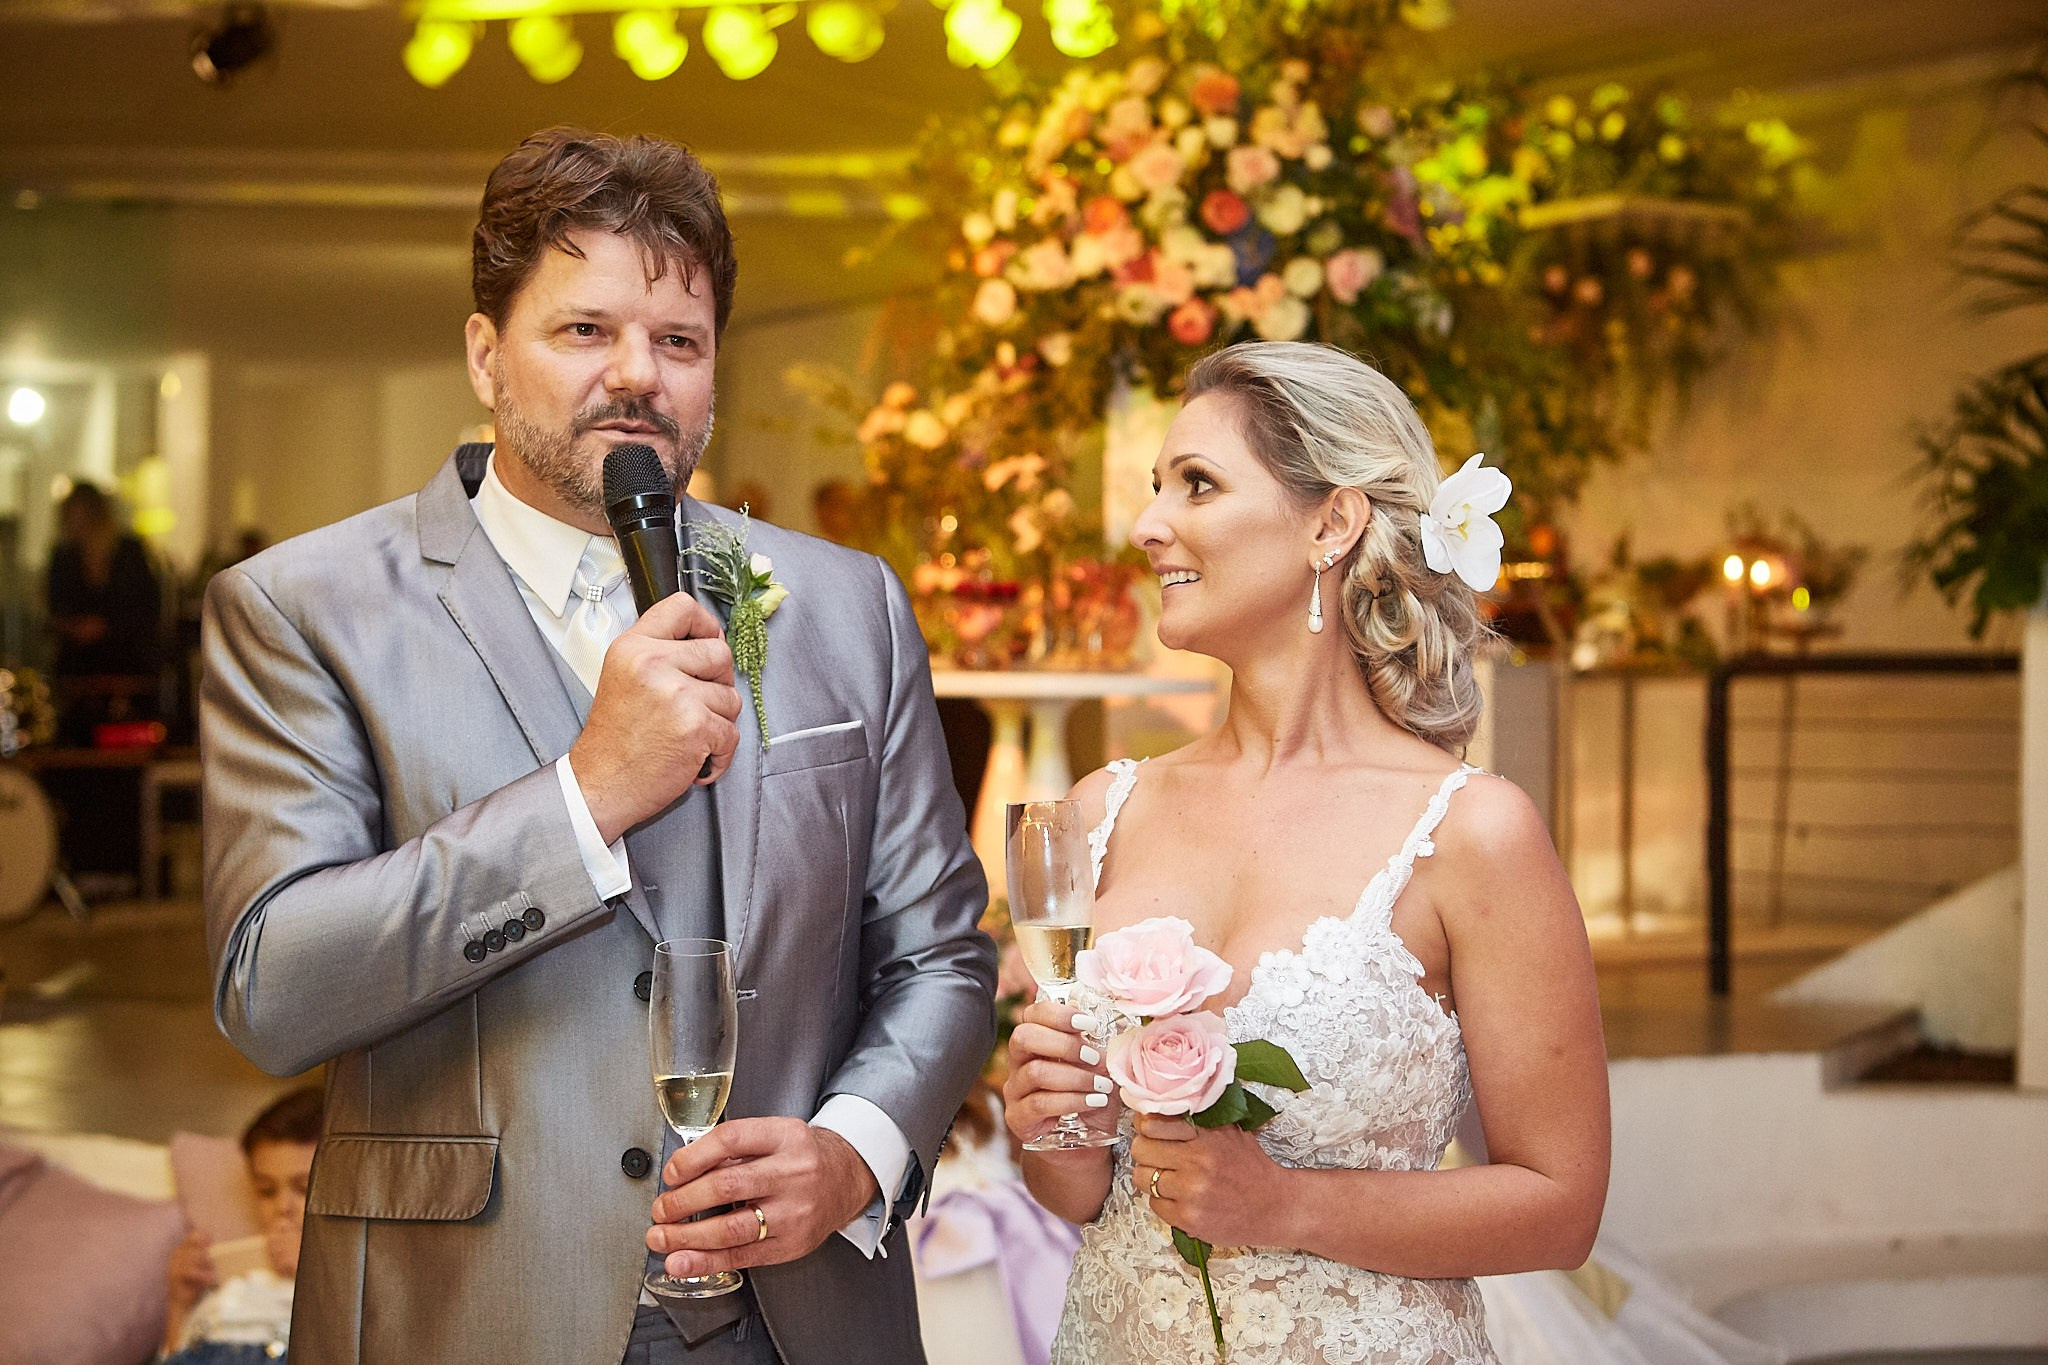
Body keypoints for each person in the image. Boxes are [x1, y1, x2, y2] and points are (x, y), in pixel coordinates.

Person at [201, 127, 996, 1365]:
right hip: (468, 1308)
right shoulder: (302, 610)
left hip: (795, 1319)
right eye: (585, 331)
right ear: (484, 351)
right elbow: (273, 986)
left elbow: (942, 955)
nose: (637, 375)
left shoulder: (847, 605)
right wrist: (583, 798)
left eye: (677, 341)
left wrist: (852, 1153)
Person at [1003, 341, 1610, 1363]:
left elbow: (1560, 1208)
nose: (1147, 526)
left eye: (1195, 485)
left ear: (1330, 522)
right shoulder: (1107, 807)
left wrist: (1286, 1205)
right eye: (1156, 488)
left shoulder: (1468, 831)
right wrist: (1045, 1124)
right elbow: (1082, 1193)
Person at [162, 1086, 325, 1363]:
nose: (283, 1207)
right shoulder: (229, 1282)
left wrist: (314, 1277)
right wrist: (181, 1304)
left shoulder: (358, 1278)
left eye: (303, 1186)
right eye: (266, 1191)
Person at [46, 481, 163, 742]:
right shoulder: (65, 557)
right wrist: (75, 627)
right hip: (78, 671)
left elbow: (146, 608)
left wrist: (106, 627)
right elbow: (54, 610)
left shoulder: (129, 553)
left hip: (127, 666)